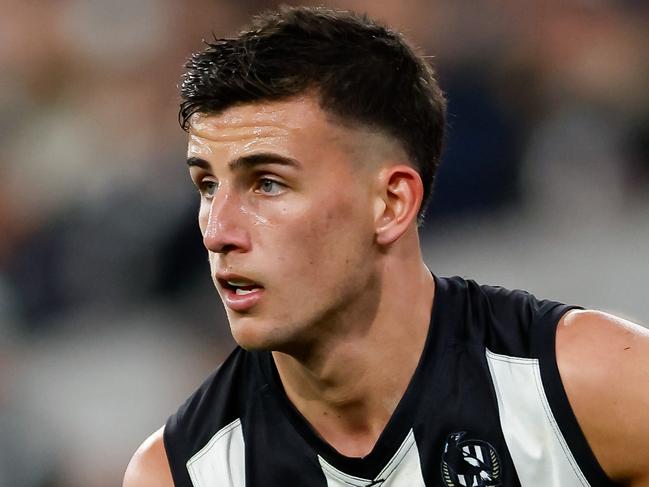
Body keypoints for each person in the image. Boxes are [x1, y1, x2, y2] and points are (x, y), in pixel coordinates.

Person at [123, 6, 649, 487]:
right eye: (207, 186)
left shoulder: (594, 385)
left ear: (391, 203)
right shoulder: (182, 474)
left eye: (268, 183)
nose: (218, 232)